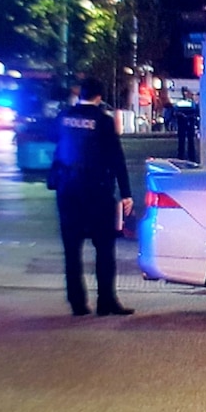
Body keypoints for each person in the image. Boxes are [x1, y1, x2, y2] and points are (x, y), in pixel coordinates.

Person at [48, 77, 135, 317]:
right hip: (97, 192)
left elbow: (54, 144)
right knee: (105, 248)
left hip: (67, 191)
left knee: (71, 249)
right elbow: (117, 159)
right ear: (99, 97)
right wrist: (126, 193)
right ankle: (106, 301)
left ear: (80, 94)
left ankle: (77, 303)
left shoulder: (63, 117)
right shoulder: (103, 122)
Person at [176, 87, 198, 162]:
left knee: (183, 141)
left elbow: (176, 112)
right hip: (188, 123)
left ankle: (181, 156)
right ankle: (190, 157)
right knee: (188, 140)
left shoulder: (179, 103)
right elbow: (195, 111)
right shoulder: (191, 103)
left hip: (183, 123)